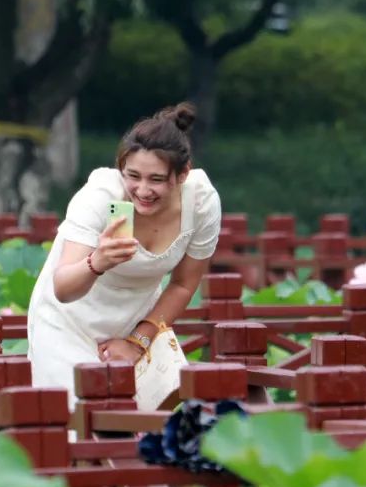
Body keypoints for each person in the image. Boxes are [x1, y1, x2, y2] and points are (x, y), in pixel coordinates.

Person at [27, 102, 221, 401]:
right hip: (67, 322)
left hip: (137, 322)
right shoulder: (100, 196)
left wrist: (136, 342)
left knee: (149, 427)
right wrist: (97, 262)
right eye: (133, 176)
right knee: (79, 428)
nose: (142, 190)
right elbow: (62, 288)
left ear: (183, 174)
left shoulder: (201, 203)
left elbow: (183, 285)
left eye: (156, 179)